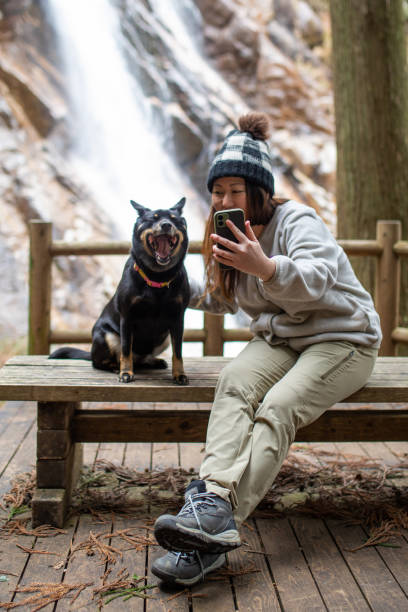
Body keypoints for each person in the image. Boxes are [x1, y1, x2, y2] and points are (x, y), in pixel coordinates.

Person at [151, 112, 382, 586]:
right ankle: (210, 512)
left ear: (259, 191)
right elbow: (227, 296)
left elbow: (317, 281)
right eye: (218, 192)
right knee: (234, 381)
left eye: (236, 191)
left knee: (277, 406)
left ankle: (216, 515)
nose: (225, 200)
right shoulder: (227, 231)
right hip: (285, 339)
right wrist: (172, 285)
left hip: (343, 339)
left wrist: (267, 266)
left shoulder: (297, 220)